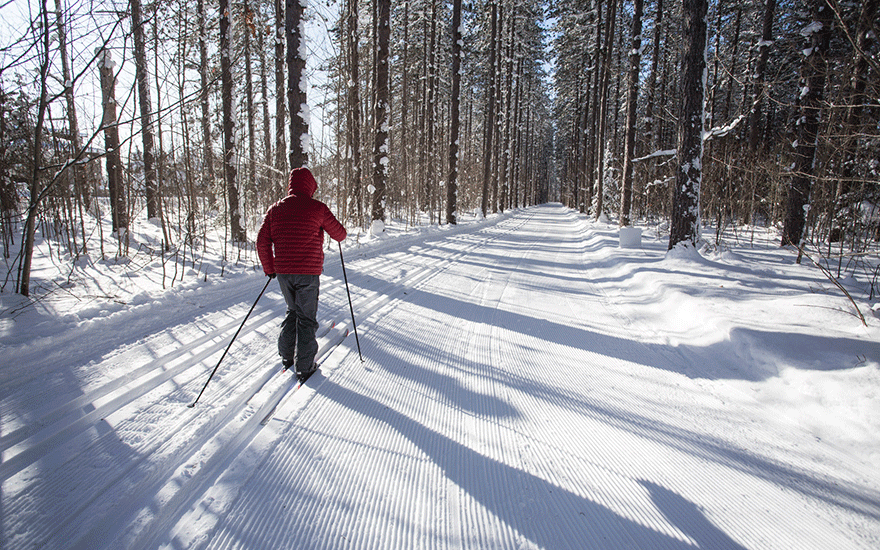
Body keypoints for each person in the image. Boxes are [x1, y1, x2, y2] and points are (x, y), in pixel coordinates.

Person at [257, 167, 347, 381]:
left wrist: (269, 269)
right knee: (306, 318)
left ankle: (287, 357)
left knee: (292, 310)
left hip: (284, 273)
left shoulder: (275, 209)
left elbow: (261, 241)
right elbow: (340, 234)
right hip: (308, 273)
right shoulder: (317, 208)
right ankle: (304, 367)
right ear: (310, 186)